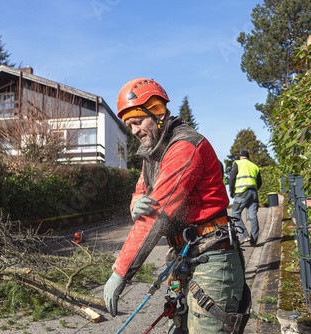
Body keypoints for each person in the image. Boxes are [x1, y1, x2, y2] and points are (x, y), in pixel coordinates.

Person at [103, 78, 249, 333]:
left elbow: (157, 215)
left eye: (137, 122)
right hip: (186, 256)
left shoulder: (184, 147)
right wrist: (135, 203)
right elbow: (141, 191)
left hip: (212, 257)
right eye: (129, 126)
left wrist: (120, 272)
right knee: (177, 326)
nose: (134, 130)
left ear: (158, 111)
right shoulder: (154, 154)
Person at [229, 150, 262, 246]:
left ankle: (244, 235)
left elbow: (231, 179)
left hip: (242, 193)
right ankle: (254, 240)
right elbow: (259, 182)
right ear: (248, 157)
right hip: (254, 193)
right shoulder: (254, 166)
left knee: (235, 213)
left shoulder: (237, 163)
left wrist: (232, 192)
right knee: (252, 216)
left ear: (240, 157)